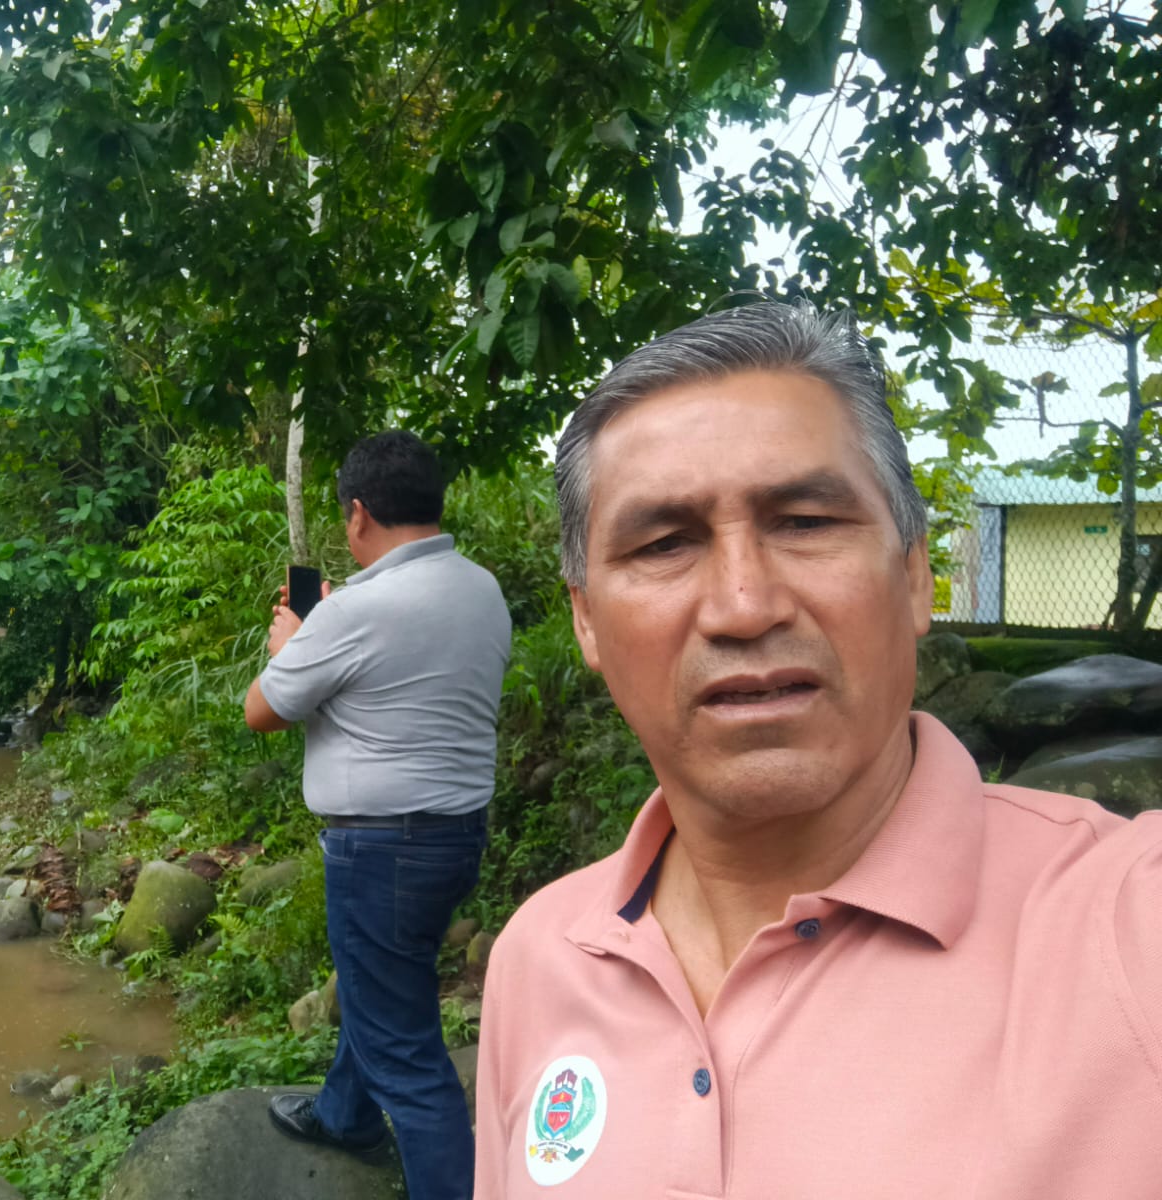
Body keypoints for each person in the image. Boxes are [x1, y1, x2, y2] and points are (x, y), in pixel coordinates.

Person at [473, 301, 1162, 1198]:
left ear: (914, 574)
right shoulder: (541, 959)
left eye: (804, 521)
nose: (743, 605)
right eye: (665, 543)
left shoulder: (1125, 927)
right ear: (587, 621)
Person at [244, 430, 512, 1200]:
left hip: (382, 853)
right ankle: (345, 1114)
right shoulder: (481, 588)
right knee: (383, 984)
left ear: (359, 513)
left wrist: (293, 644)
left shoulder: (354, 611)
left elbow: (262, 711)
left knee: (409, 1059)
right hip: (456, 837)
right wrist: (325, 632)